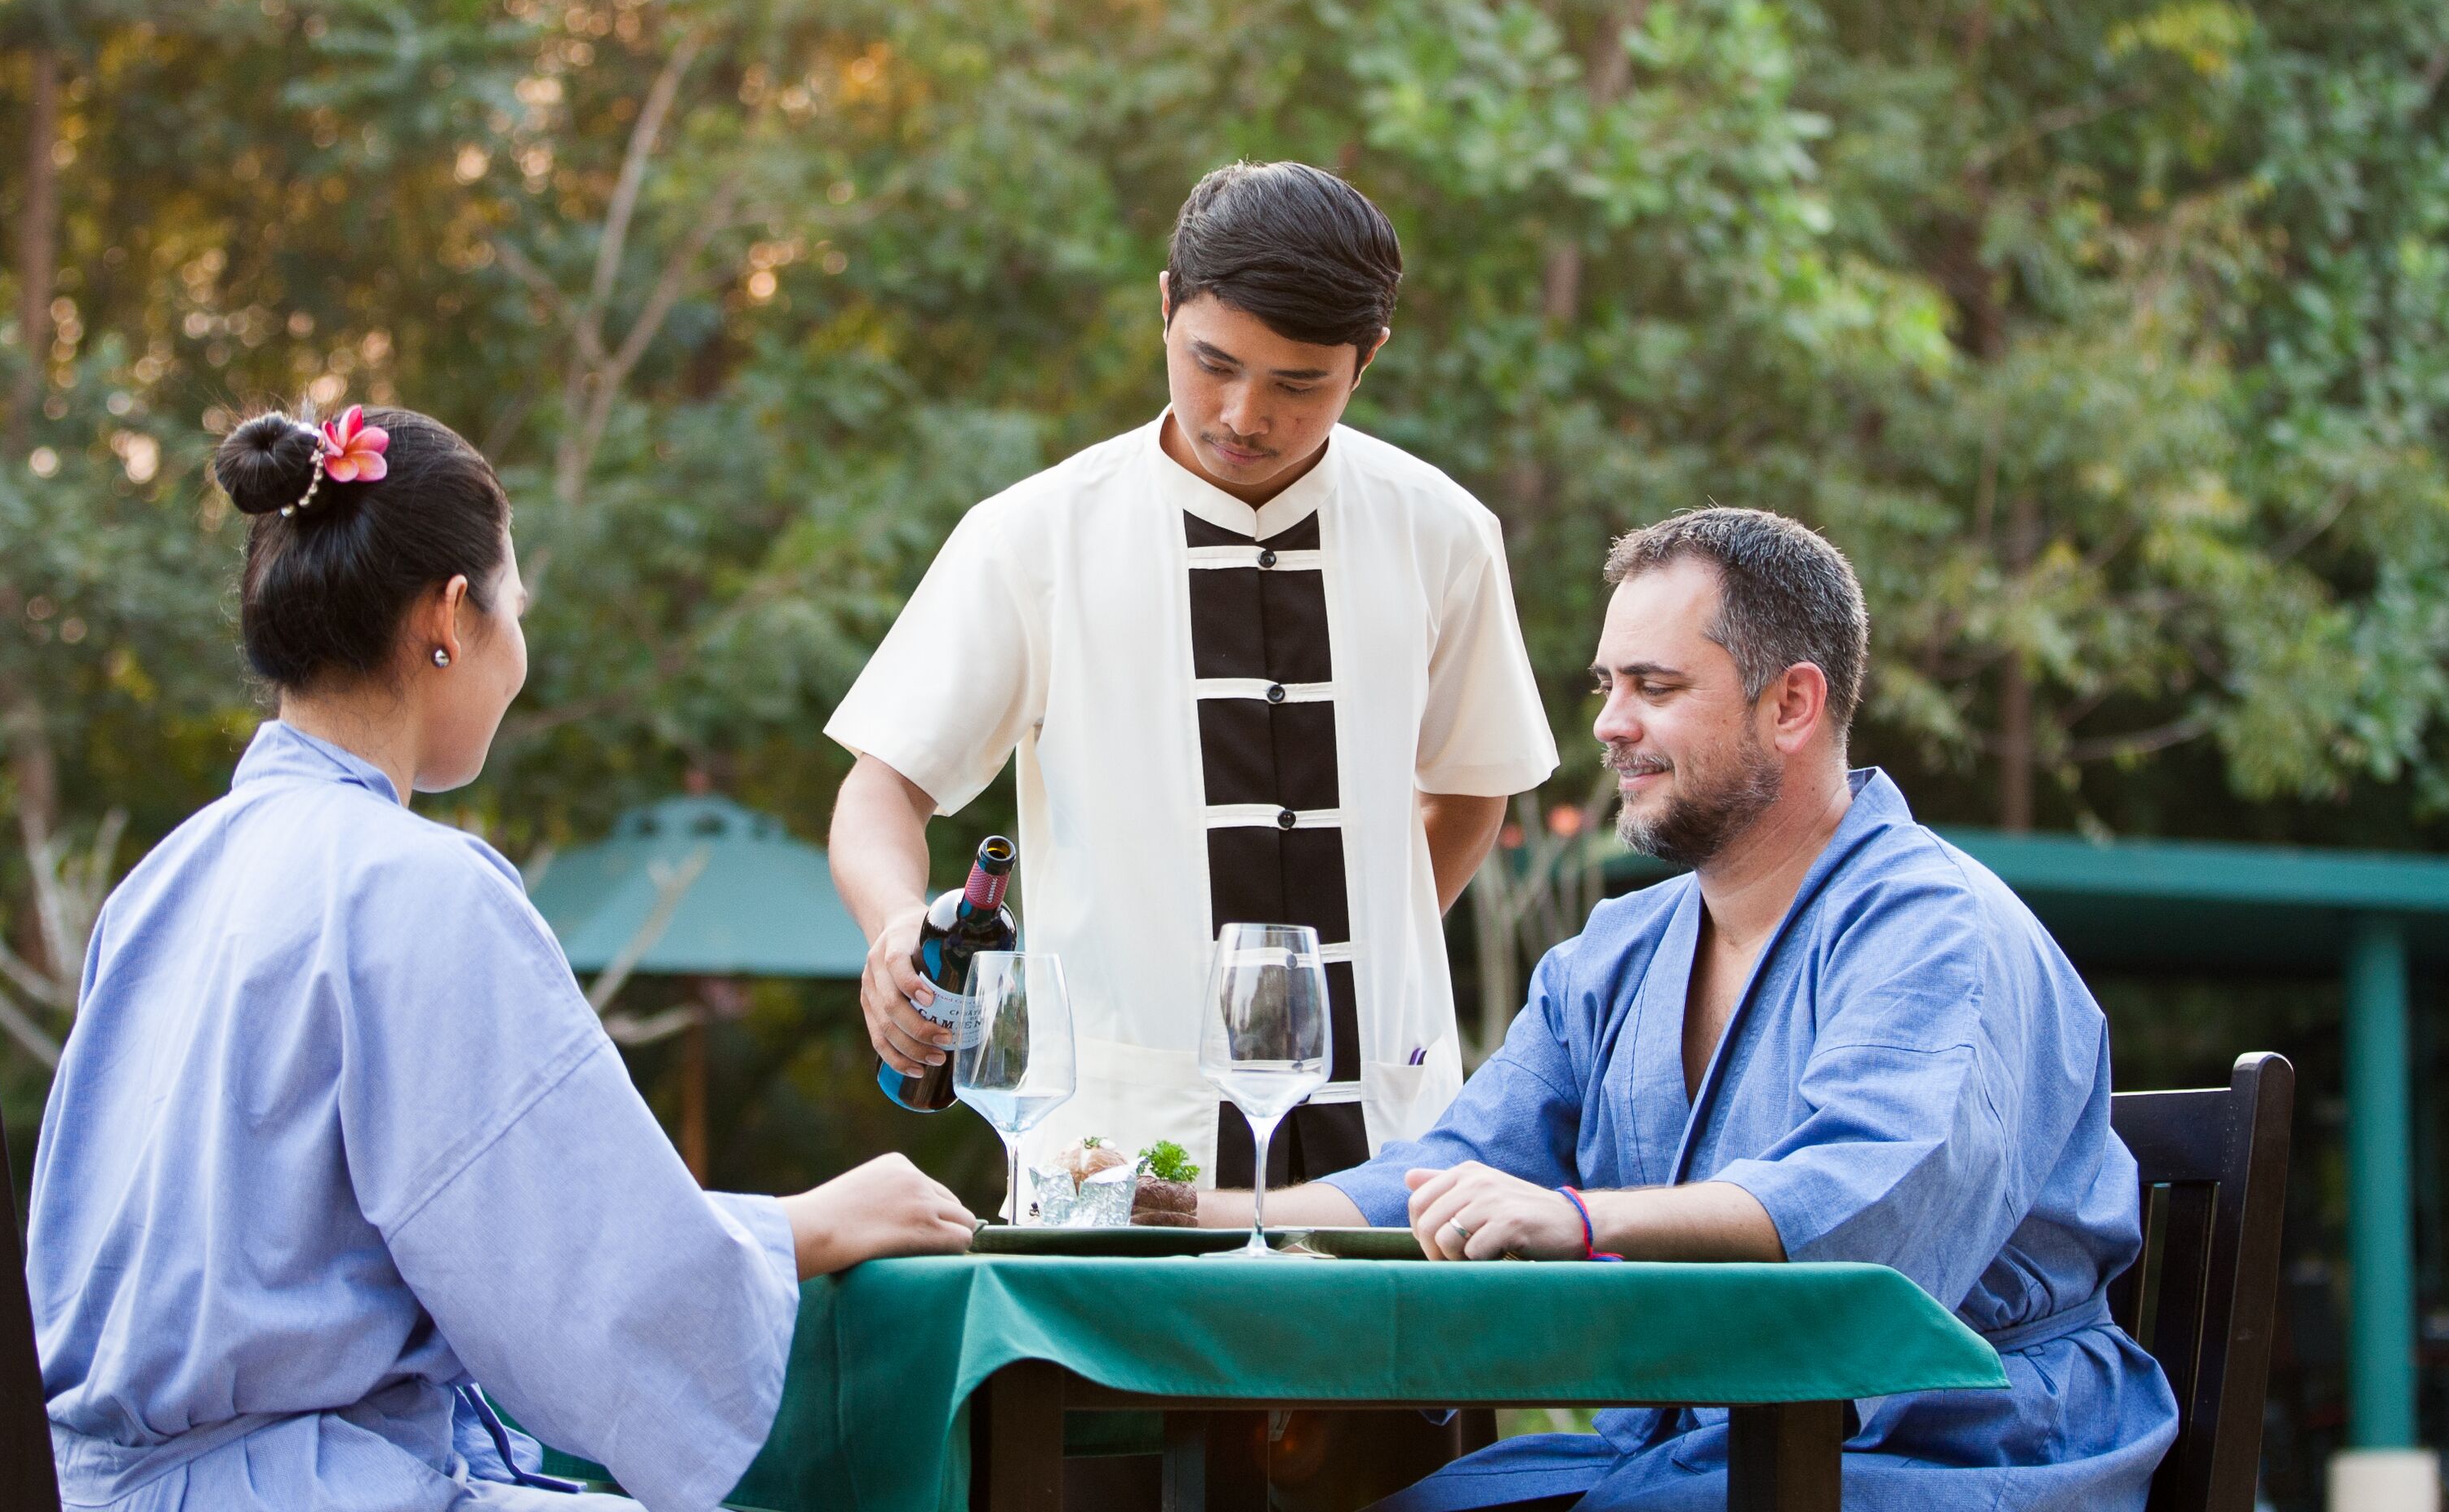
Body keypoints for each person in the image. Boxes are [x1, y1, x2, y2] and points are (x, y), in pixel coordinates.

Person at [28, 403, 975, 1512]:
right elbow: (578, 1273)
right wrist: (807, 1224)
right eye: (514, 608)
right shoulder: (415, 887)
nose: (518, 649)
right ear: (450, 617)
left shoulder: (164, 880)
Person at [1222, 507, 2178, 1510]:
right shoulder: (1616, 951)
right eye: (1608, 685)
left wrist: (1578, 1221)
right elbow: (1448, 1172)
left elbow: (1858, 1204)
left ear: (1792, 705)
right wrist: (1202, 1219)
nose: (1609, 722)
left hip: (1955, 1438)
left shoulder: (1937, 926)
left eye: (1656, 686)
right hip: (1698, 1447)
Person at [826, 162, 1558, 1189]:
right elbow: (882, 785)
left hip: (1391, 1144)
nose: (1244, 414)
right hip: (1113, 1141)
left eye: (1298, 384)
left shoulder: (1444, 533)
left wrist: (1344, 983)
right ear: (1165, 303)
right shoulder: (1034, 536)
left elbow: (1475, 787)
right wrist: (897, 923)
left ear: (1369, 359)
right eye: (1211, 362)